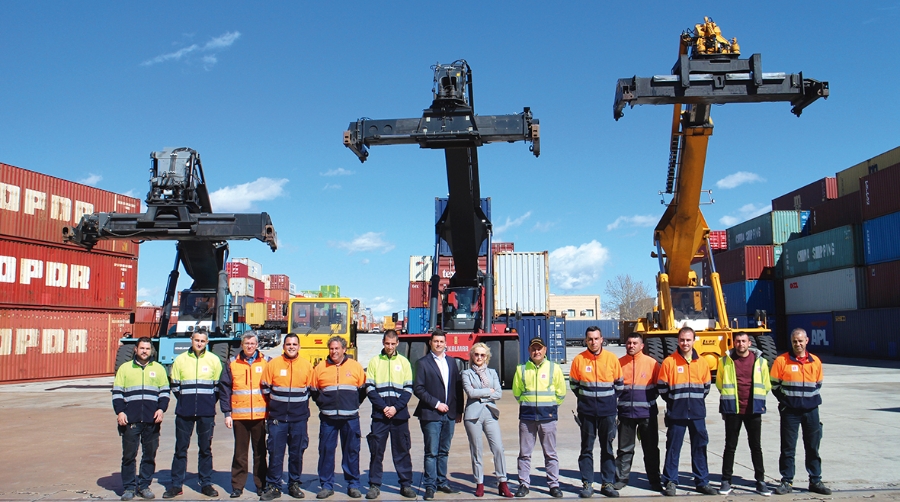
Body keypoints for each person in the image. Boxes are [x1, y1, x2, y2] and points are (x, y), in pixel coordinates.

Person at [770, 328, 831, 496]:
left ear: (807, 341)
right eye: (795, 341)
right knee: (788, 447)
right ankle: (787, 481)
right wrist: (786, 402)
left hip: (811, 410)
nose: (797, 344)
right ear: (792, 342)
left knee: (813, 446)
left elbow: (818, 384)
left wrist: (807, 400)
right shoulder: (781, 361)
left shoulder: (815, 361)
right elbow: (774, 385)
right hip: (790, 411)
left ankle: (815, 480)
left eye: (800, 341)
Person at [164, 327, 223, 499]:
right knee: (180, 449)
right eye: (197, 340)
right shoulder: (180, 360)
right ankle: (176, 485)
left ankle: (206, 483)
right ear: (191, 339)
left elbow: (218, 387)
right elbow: (174, 385)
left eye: (202, 341)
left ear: (207, 342)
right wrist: (185, 401)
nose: (199, 343)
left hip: (206, 412)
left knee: (205, 449)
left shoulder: (214, 360)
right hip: (185, 412)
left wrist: (209, 402)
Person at [657, 327, 716, 496]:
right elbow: (662, 387)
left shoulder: (703, 362)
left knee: (700, 447)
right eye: (682, 340)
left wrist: (694, 402)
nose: (685, 343)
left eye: (688, 340)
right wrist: (674, 402)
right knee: (673, 448)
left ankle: (702, 481)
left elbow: (706, 387)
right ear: (678, 341)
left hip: (697, 413)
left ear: (694, 341)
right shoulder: (669, 362)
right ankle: (670, 481)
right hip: (677, 413)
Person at [112, 337, 170, 501]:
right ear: (136, 350)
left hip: (152, 421)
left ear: (151, 351)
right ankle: (129, 487)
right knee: (129, 456)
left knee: (149, 455)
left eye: (147, 348)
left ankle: (144, 486)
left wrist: (161, 409)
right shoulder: (125, 369)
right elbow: (117, 393)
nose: (145, 351)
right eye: (142, 348)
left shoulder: (159, 369)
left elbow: (165, 392)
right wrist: (120, 412)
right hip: (130, 421)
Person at [259, 334, 315, 501]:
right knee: (275, 452)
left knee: (297, 452)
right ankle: (274, 486)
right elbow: (265, 386)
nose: (291, 347)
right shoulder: (273, 364)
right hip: (277, 418)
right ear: (283, 346)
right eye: (288, 344)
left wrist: (298, 405)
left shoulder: (306, 366)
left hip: (299, 418)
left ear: (299, 347)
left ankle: (294, 484)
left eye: (294, 344)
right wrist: (277, 405)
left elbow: (311, 389)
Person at [570, 327, 624, 498]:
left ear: (602, 339)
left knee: (607, 448)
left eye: (596, 338)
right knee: (586, 449)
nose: (593, 342)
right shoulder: (579, 360)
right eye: (590, 339)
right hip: (587, 413)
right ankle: (587, 483)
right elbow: (574, 385)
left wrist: (607, 401)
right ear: (586, 341)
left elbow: (619, 385)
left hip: (607, 412)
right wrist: (586, 401)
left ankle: (607, 483)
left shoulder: (611, 359)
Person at [716, 332, 772, 496]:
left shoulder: (761, 361)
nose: (740, 344)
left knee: (756, 447)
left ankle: (760, 481)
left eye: (743, 341)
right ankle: (726, 481)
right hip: (733, 410)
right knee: (730, 446)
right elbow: (720, 383)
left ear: (749, 343)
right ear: (734, 343)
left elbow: (766, 384)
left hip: (753, 410)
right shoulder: (725, 361)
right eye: (738, 341)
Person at [311, 336, 367, 499]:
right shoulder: (320, 367)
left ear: (344, 349)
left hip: (350, 418)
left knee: (351, 451)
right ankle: (326, 485)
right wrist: (323, 403)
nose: (334, 351)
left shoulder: (355, 367)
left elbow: (363, 389)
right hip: (328, 419)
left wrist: (353, 403)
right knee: (326, 451)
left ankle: (353, 484)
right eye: (331, 348)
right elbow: (314, 390)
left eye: (337, 348)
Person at [363, 330, 416, 499]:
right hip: (380, 416)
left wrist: (395, 408)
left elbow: (408, 389)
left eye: (393, 344)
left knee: (402, 451)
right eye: (387, 344)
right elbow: (369, 388)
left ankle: (406, 484)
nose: (390, 347)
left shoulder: (404, 362)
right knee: (376, 451)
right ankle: (374, 484)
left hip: (399, 416)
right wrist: (384, 407)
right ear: (383, 342)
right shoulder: (374, 362)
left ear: (398, 343)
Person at [512, 337, 566, 499]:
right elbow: (517, 392)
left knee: (550, 453)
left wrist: (549, 407)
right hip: (527, 418)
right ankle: (523, 483)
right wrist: (528, 405)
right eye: (533, 348)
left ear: (545, 350)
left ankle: (553, 484)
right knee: (525, 453)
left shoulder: (554, 368)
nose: (536, 351)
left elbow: (561, 392)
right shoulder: (521, 369)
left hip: (547, 418)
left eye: (539, 348)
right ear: (529, 350)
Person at [413, 330, 464, 501]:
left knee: (444, 451)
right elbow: (418, 388)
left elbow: (458, 387)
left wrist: (459, 411)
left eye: (441, 341)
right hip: (431, 414)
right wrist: (436, 403)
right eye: (436, 341)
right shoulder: (422, 363)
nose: (439, 344)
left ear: (445, 343)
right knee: (431, 452)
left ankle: (442, 481)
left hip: (450, 414)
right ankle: (429, 485)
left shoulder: (452, 362)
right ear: (430, 343)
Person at [219, 333, 270, 498]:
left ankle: (261, 485)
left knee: (260, 452)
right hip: (239, 416)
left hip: (260, 415)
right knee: (240, 453)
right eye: (247, 343)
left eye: (253, 343)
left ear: (257, 344)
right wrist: (227, 413)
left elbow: (272, 388)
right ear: (242, 344)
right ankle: (237, 486)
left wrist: (271, 413)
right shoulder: (232, 363)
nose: (250, 346)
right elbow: (225, 388)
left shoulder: (266, 362)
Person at [461, 343, 514, 498]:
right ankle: (479, 483)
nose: (479, 357)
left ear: (487, 357)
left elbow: (498, 393)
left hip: (490, 413)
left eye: (482, 355)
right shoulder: (466, 374)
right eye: (476, 354)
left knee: (498, 448)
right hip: (473, 416)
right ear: (472, 356)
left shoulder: (492, 373)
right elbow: (470, 393)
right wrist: (487, 392)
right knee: (476, 450)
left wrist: (482, 393)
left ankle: (502, 482)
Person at [614, 333, 661, 492]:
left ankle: (654, 479)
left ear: (642, 346)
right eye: (628, 342)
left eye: (635, 343)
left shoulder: (652, 364)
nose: (631, 345)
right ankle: (621, 478)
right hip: (625, 414)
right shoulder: (619, 364)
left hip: (647, 414)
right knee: (624, 449)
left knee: (651, 448)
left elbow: (658, 388)